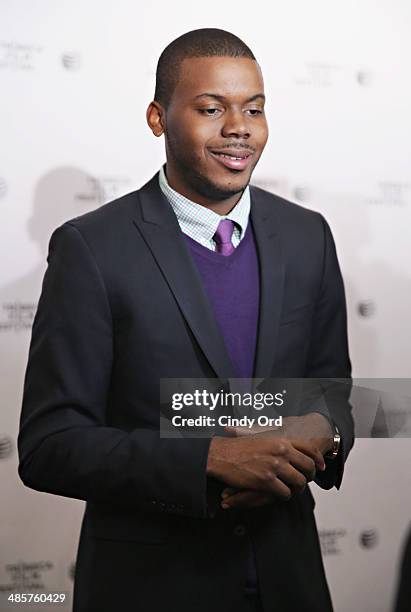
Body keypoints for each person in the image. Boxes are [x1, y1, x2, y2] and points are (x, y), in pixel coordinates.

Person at [18, 28, 354, 612]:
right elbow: (50, 444)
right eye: (211, 108)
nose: (239, 128)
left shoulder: (308, 236)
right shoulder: (91, 248)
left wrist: (321, 434)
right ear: (157, 118)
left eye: (254, 108)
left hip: (288, 578)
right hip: (151, 586)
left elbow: (334, 393)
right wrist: (209, 462)